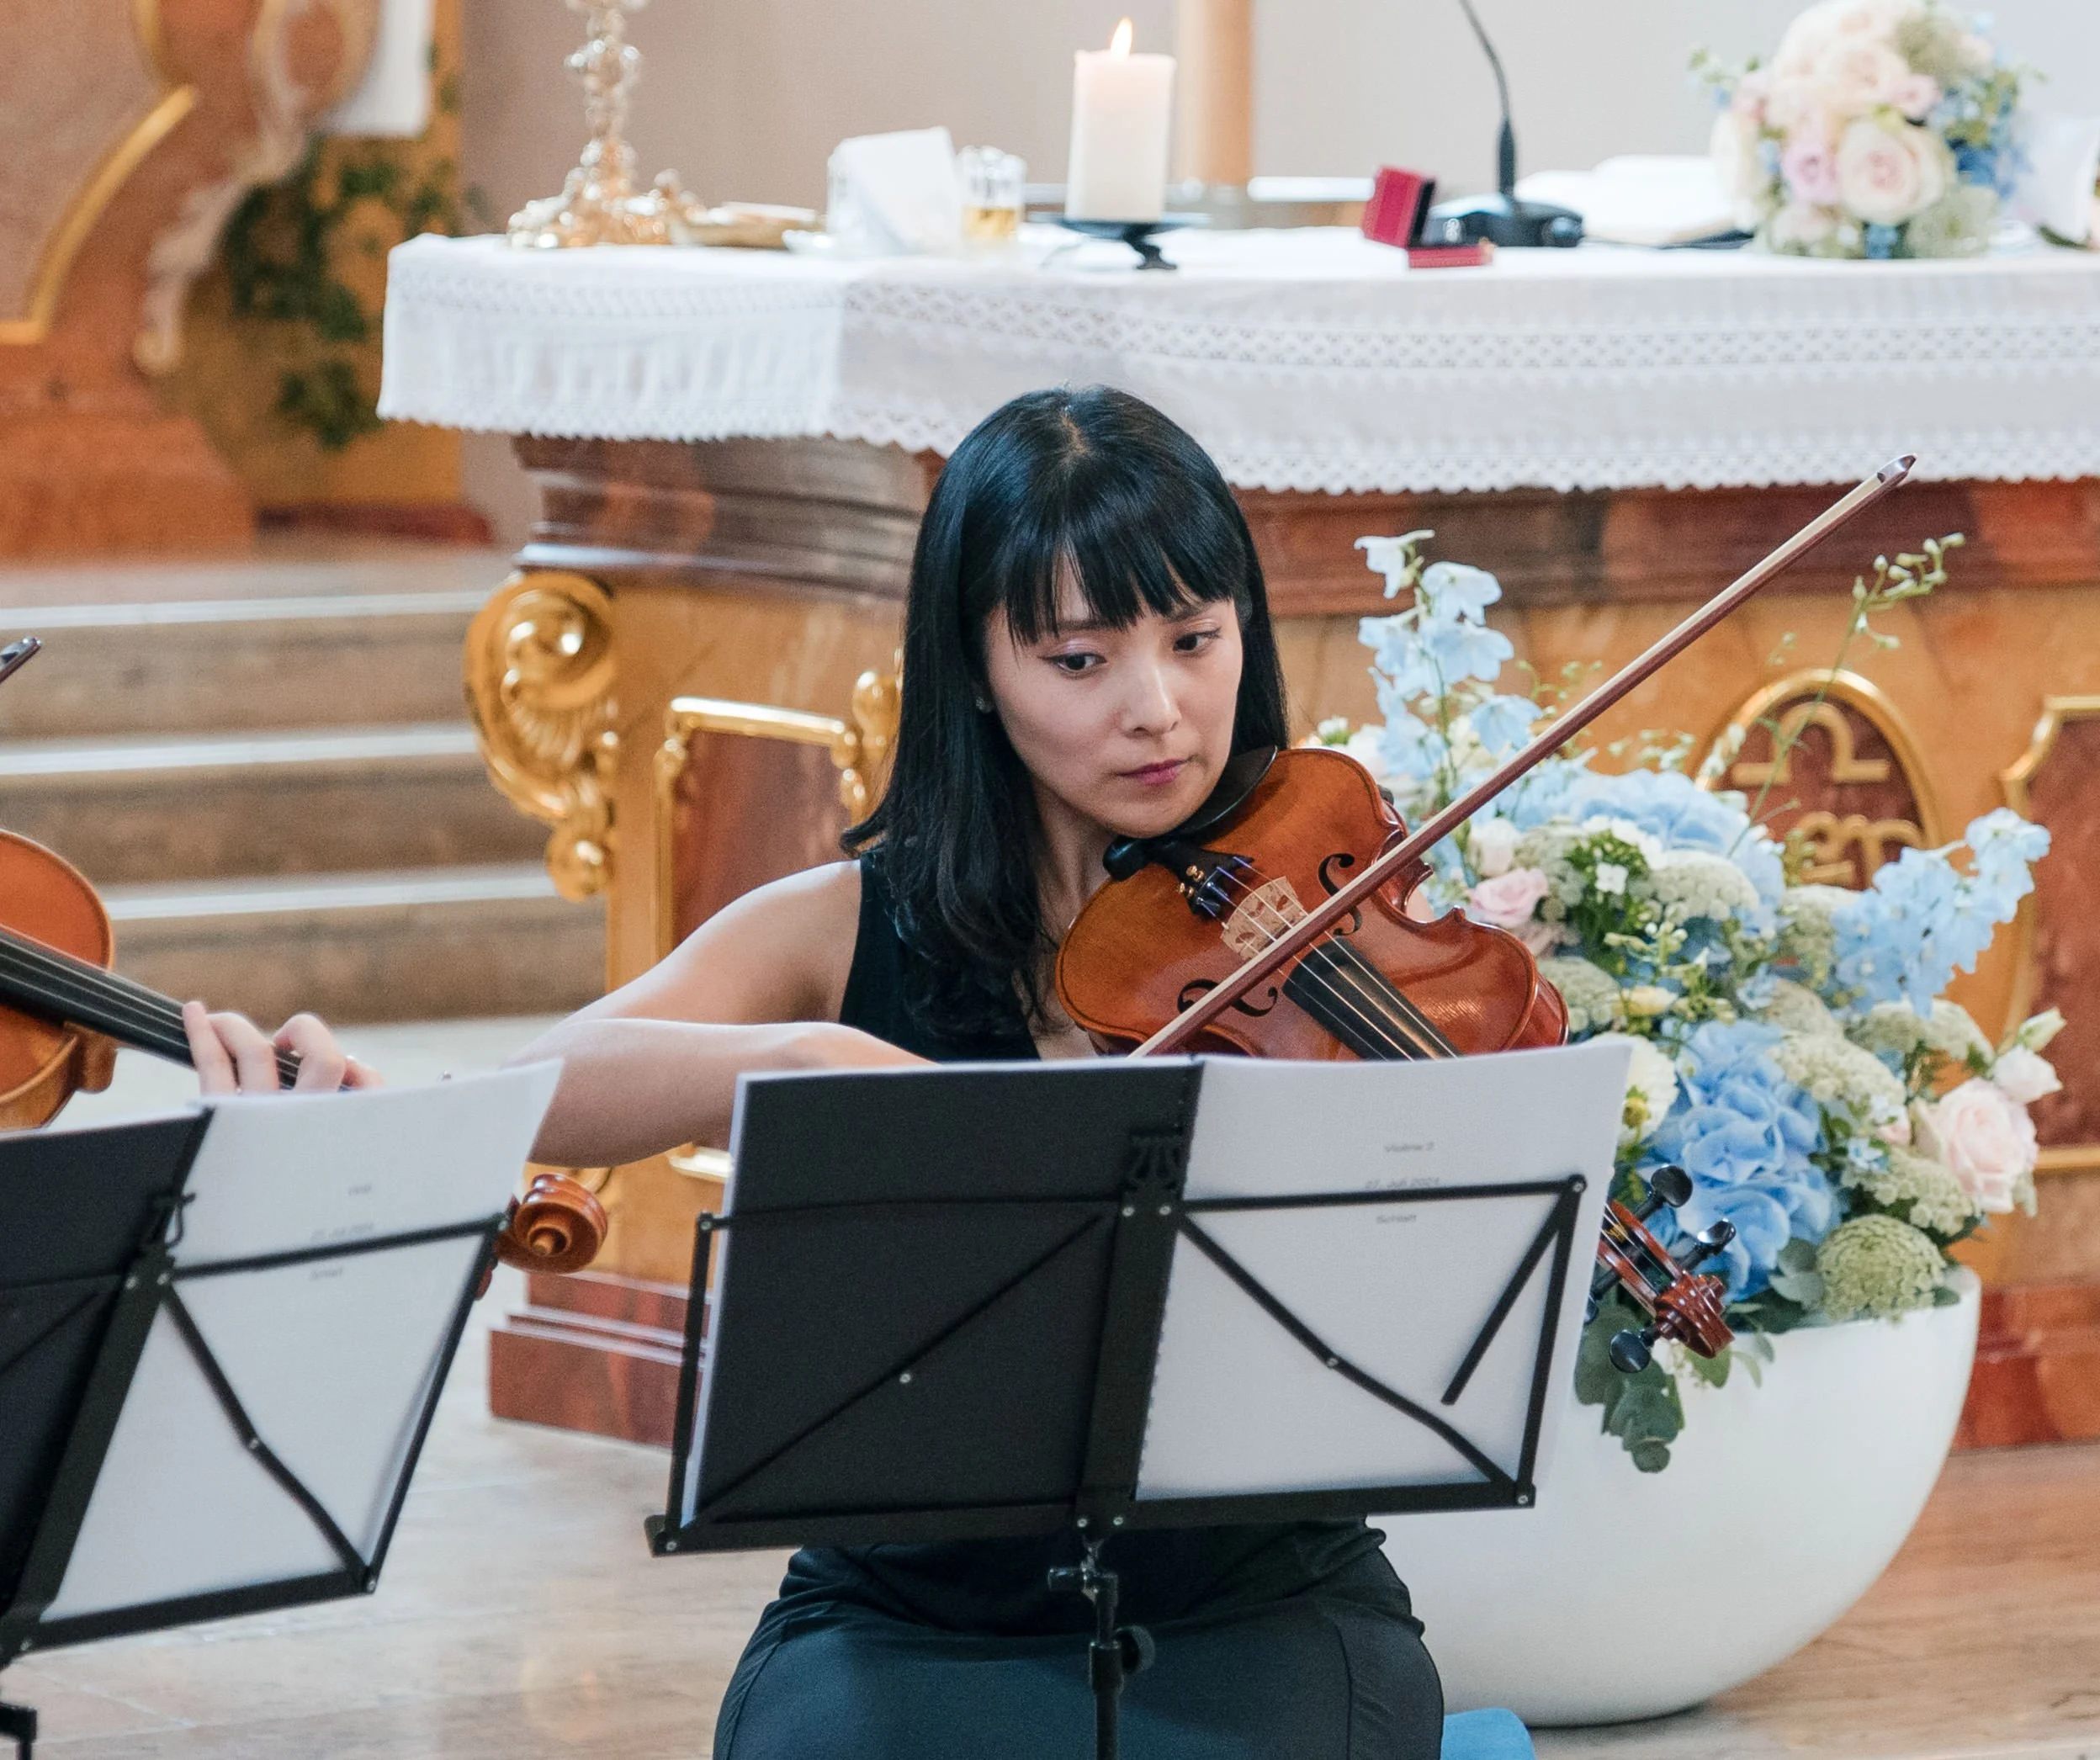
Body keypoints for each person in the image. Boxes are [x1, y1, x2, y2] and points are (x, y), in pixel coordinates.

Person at [511, 385, 1446, 1759]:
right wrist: (803, 1055)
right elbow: (531, 1089)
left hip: (1260, 1598)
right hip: (910, 1616)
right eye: (1080, 660)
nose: (1159, 710)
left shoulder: (1324, 908)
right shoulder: (843, 926)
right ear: (974, 669)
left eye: (1195, 640)